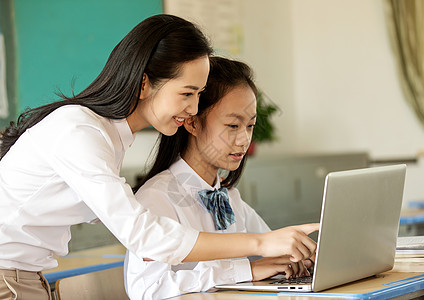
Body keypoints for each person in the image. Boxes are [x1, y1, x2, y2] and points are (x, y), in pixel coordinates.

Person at [0, 14, 318, 300]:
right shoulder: (79, 131)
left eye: (199, 94)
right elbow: (146, 239)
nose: (193, 109)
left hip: (24, 277)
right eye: (187, 93)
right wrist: (260, 245)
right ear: (144, 83)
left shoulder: (112, 139)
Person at [125, 56, 316, 299]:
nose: (244, 140)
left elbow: (270, 248)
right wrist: (243, 270)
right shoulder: (157, 197)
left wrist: (298, 258)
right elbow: (146, 289)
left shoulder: (229, 197)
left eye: (250, 126)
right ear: (192, 123)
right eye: (233, 126)